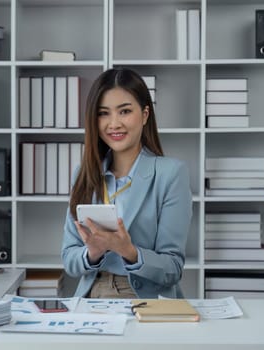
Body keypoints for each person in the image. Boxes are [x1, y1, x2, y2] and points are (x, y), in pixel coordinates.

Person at [61, 68, 192, 299]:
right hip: (94, 294)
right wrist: (93, 253)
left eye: (124, 111)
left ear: (144, 115)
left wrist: (129, 251)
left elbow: (172, 269)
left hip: (145, 296)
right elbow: (70, 260)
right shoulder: (83, 174)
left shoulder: (171, 174)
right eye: (103, 113)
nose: (114, 124)